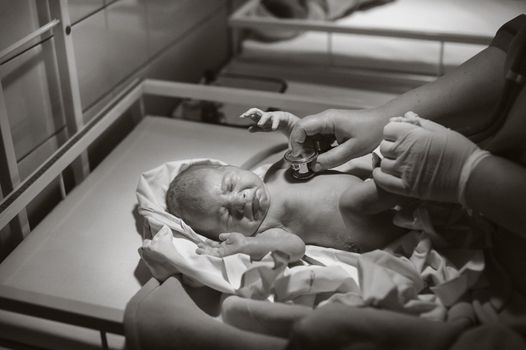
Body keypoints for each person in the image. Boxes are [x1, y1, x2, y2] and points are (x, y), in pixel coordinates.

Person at [280, 14, 526, 350]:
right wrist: (378, 119)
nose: (241, 199)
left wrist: (471, 175)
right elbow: (515, 60)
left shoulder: (354, 201)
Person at [166, 108, 405, 262]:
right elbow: (295, 247)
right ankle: (409, 180)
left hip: (376, 196)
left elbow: (303, 146)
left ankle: (411, 185)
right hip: (367, 229)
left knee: (376, 175)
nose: (240, 200)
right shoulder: (267, 228)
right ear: (223, 234)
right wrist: (249, 244)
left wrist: (285, 124)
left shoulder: (276, 172)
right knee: (356, 199)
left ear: (235, 168)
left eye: (230, 186)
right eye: (228, 214)